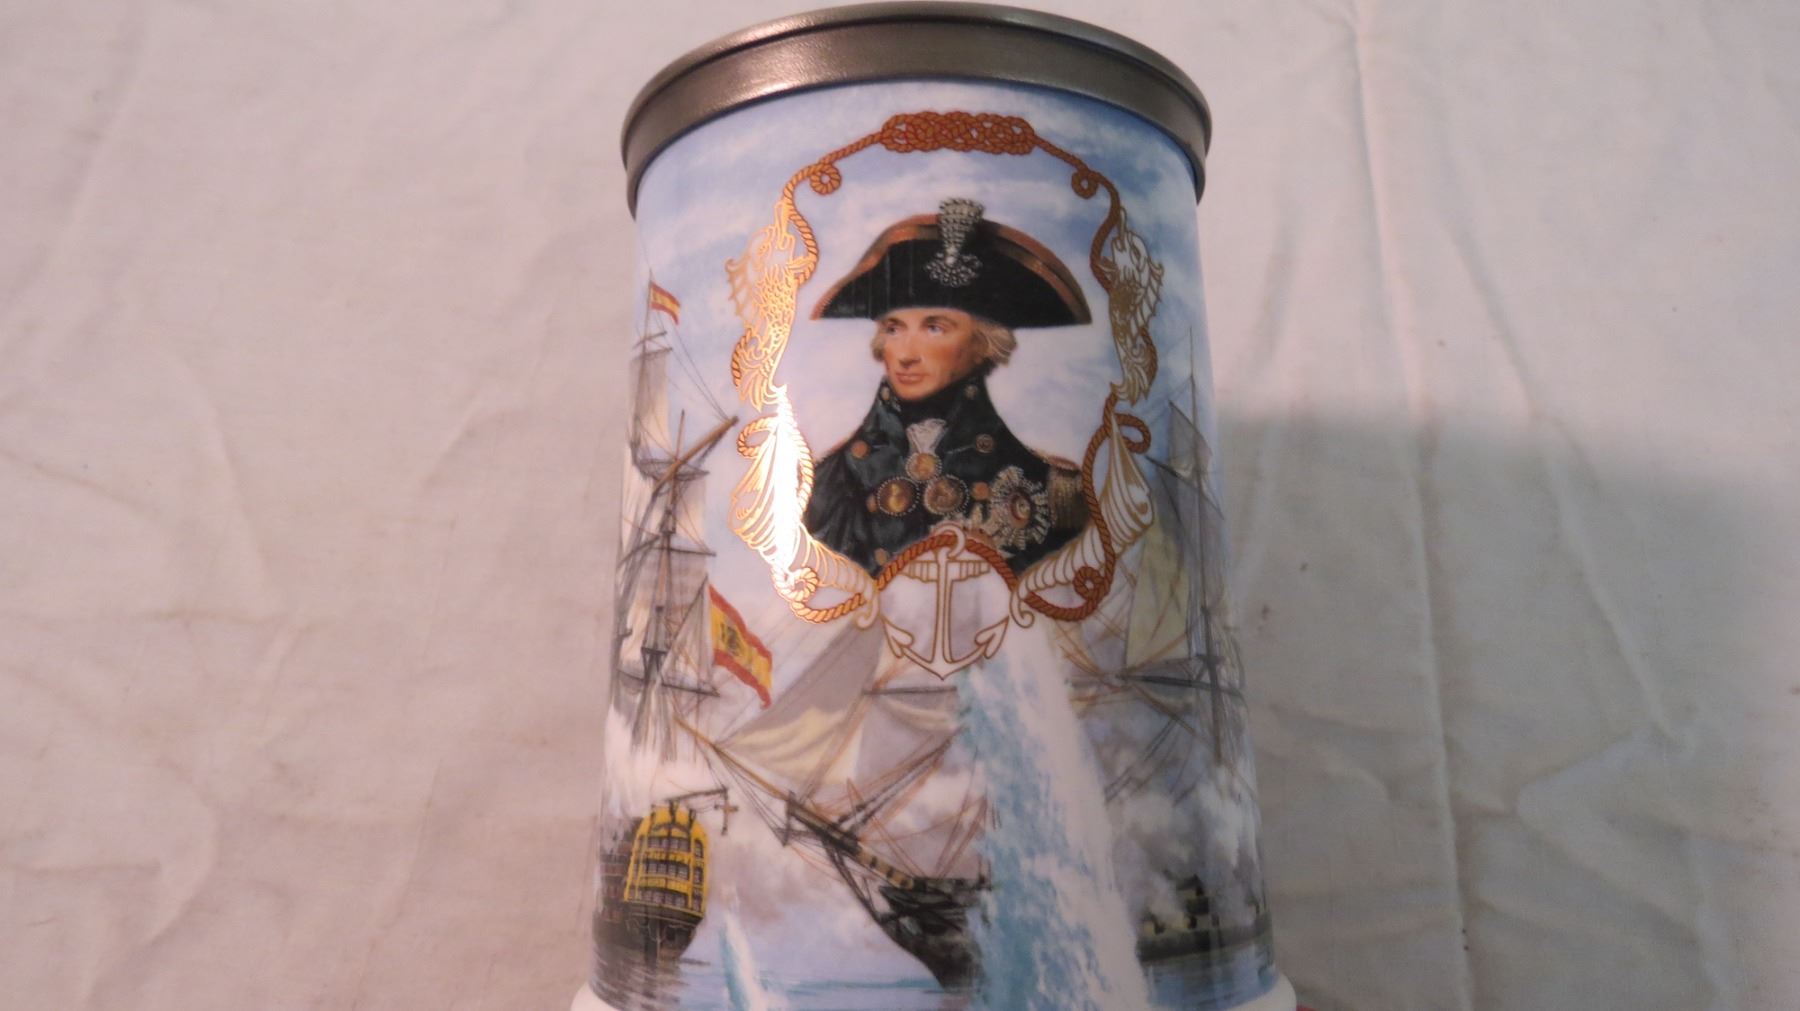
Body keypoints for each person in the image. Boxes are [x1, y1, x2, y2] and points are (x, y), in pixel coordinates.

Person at [802, 198, 1092, 576]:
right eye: (893, 329)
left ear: (984, 343)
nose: (906, 354)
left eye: (935, 328)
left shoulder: (1050, 488)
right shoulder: (833, 479)